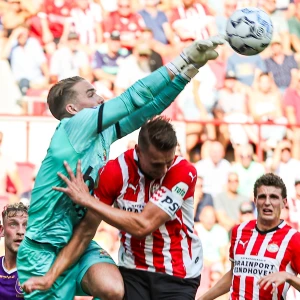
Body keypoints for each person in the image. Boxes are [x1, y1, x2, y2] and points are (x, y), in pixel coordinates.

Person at [18, 35, 226, 300]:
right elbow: (132, 98)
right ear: (72, 108)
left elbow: (148, 109)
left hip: (77, 245)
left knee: (114, 289)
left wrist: (188, 73)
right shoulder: (73, 125)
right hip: (42, 251)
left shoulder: (100, 134)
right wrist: (182, 58)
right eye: (91, 94)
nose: (101, 96)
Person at [23, 117, 203, 300]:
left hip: (178, 274)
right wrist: (50, 277)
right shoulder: (115, 172)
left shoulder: (183, 171)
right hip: (134, 271)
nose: (164, 170)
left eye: (168, 161)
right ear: (138, 151)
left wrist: (89, 201)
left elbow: (144, 225)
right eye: (157, 164)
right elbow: (85, 232)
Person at [198, 173, 300, 300]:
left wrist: (288, 277)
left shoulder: (293, 238)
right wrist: (202, 299)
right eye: (262, 197)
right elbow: (234, 274)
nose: (267, 202)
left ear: (283, 202)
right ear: (255, 201)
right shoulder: (239, 231)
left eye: (273, 197)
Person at [0, 202, 28, 300]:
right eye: (13, 224)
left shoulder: (40, 271)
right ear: (1, 230)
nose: (21, 231)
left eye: (26, 225)